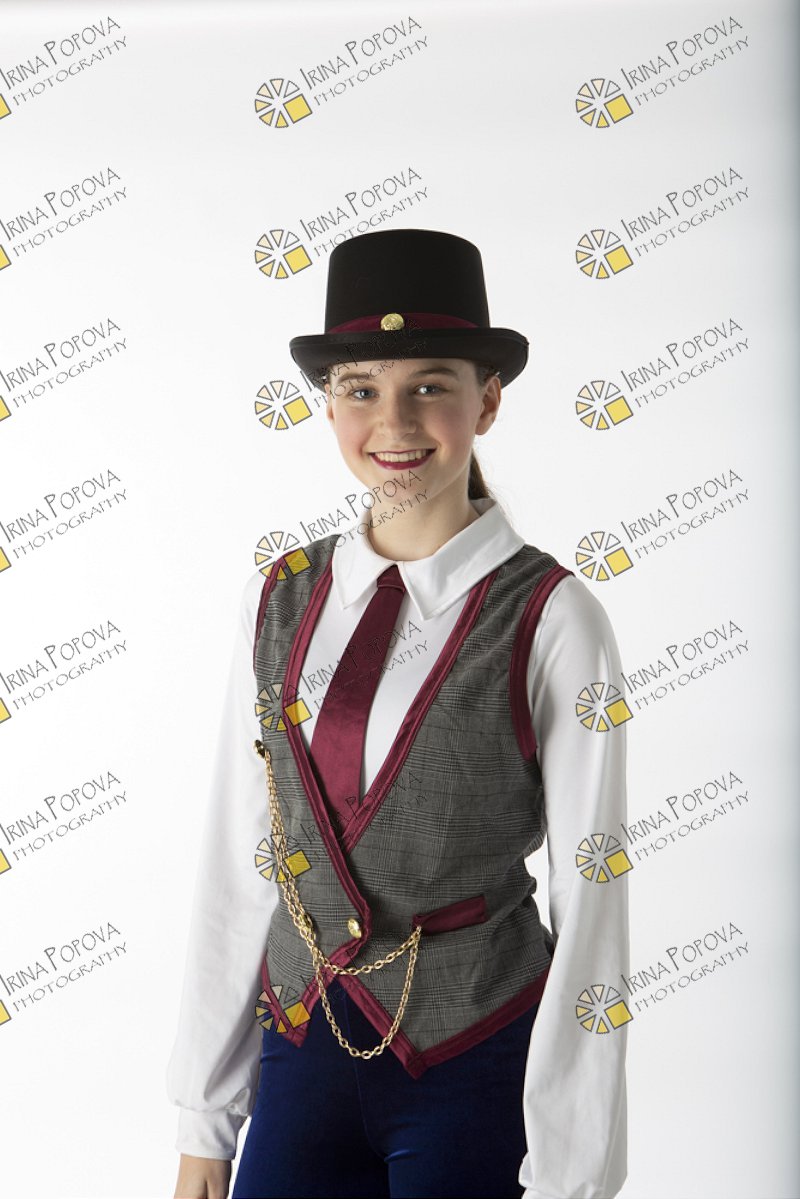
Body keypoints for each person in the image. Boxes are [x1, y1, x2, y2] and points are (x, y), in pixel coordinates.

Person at [167, 228, 630, 1199]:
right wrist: (205, 1120)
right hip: (301, 1047)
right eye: (360, 388)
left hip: (473, 1055)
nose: (393, 421)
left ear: (487, 400)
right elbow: (240, 861)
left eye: (429, 385)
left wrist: (574, 1170)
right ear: (328, 402)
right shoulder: (276, 597)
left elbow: (591, 900)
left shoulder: (554, 618)